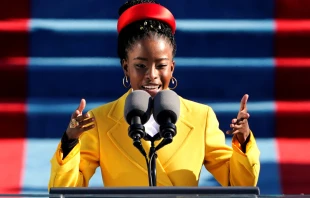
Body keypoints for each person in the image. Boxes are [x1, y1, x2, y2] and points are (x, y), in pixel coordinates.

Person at [48, 0, 260, 189]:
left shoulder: (201, 117)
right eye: (140, 66)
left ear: (172, 68)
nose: (152, 75)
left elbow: (239, 184)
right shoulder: (100, 121)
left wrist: (243, 142)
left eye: (161, 65)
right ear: (125, 68)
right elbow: (66, 192)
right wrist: (69, 142)